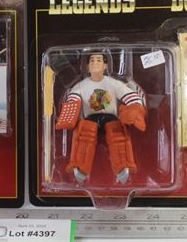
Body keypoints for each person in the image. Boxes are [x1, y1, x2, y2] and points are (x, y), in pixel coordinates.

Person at [55, 52, 147, 184]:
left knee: (119, 135)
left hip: (111, 118)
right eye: (92, 60)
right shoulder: (81, 86)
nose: (95, 63)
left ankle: (123, 166)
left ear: (105, 66)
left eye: (99, 60)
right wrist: (70, 112)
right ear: (87, 67)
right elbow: (72, 98)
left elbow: (132, 97)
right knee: (83, 134)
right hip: (90, 119)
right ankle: (79, 167)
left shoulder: (113, 83)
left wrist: (134, 109)